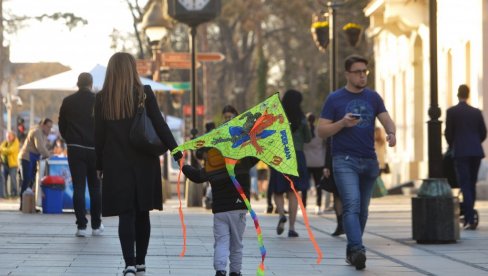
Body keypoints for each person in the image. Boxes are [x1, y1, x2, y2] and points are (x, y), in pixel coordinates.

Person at [94, 52, 181, 276]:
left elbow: (99, 137)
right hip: (144, 163)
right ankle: (141, 263)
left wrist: (99, 166)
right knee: (143, 213)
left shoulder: (103, 98)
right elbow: (161, 127)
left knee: (126, 214)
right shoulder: (144, 94)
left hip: (116, 165)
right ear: (132, 69)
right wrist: (178, 154)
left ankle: (129, 264)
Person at [317, 55, 396, 270]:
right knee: (351, 204)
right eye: (358, 72)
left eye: (365, 71)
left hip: (369, 161)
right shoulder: (335, 99)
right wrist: (342, 123)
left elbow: (386, 118)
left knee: (363, 210)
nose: (363, 75)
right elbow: (321, 130)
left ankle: (353, 250)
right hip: (344, 161)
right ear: (347, 74)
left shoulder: (373, 97)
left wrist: (391, 133)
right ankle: (358, 249)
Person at [182, 105, 258, 276]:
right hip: (237, 206)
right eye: (226, 117)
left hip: (221, 208)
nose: (227, 119)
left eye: (230, 116)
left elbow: (199, 175)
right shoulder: (245, 150)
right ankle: (235, 272)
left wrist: (183, 165)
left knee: (222, 241)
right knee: (236, 243)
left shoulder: (216, 151)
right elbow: (258, 154)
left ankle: (221, 271)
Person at [59, 72, 103, 237]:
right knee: (95, 187)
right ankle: (96, 225)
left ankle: (81, 227)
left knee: (78, 186)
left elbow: (61, 124)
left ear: (78, 84)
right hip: (94, 149)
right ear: (91, 84)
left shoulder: (68, 101)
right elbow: (103, 125)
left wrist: (69, 138)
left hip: (75, 147)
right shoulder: (98, 101)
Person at [270, 89, 311, 238]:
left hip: (280, 156)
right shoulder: (302, 119)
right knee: (294, 192)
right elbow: (308, 138)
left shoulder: (277, 117)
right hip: (297, 156)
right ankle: (292, 228)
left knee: (277, 190)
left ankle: (281, 214)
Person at [445, 84, 487, 230]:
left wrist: (453, 145)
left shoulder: (452, 112)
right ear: (468, 95)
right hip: (476, 152)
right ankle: (470, 214)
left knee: (465, 184)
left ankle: (469, 218)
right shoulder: (476, 112)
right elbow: (483, 132)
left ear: (458, 94)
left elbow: (448, 133)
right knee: (472, 184)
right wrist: (475, 143)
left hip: (461, 152)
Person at [18, 118, 53, 210]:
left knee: (31, 182)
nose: (49, 129)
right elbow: (40, 147)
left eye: (51, 127)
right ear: (43, 125)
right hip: (26, 158)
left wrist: (48, 154)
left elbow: (43, 147)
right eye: (48, 127)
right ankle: (23, 205)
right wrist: (49, 155)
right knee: (27, 180)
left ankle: (29, 205)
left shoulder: (43, 133)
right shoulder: (37, 131)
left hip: (33, 158)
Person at [303, 112, 330, 214]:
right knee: (319, 184)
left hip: (306, 161)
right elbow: (325, 144)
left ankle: (304, 205)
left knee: (305, 185)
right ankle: (318, 205)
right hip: (319, 161)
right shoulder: (319, 131)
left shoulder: (304, 131)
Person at [0, 131, 20, 197]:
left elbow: (10, 151)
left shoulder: (16, 142)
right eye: (7, 136)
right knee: (4, 179)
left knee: (13, 179)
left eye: (9, 136)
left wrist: (3, 150)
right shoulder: (5, 143)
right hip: (4, 164)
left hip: (13, 164)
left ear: (13, 136)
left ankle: (14, 193)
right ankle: (4, 194)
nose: (8, 137)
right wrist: (4, 149)